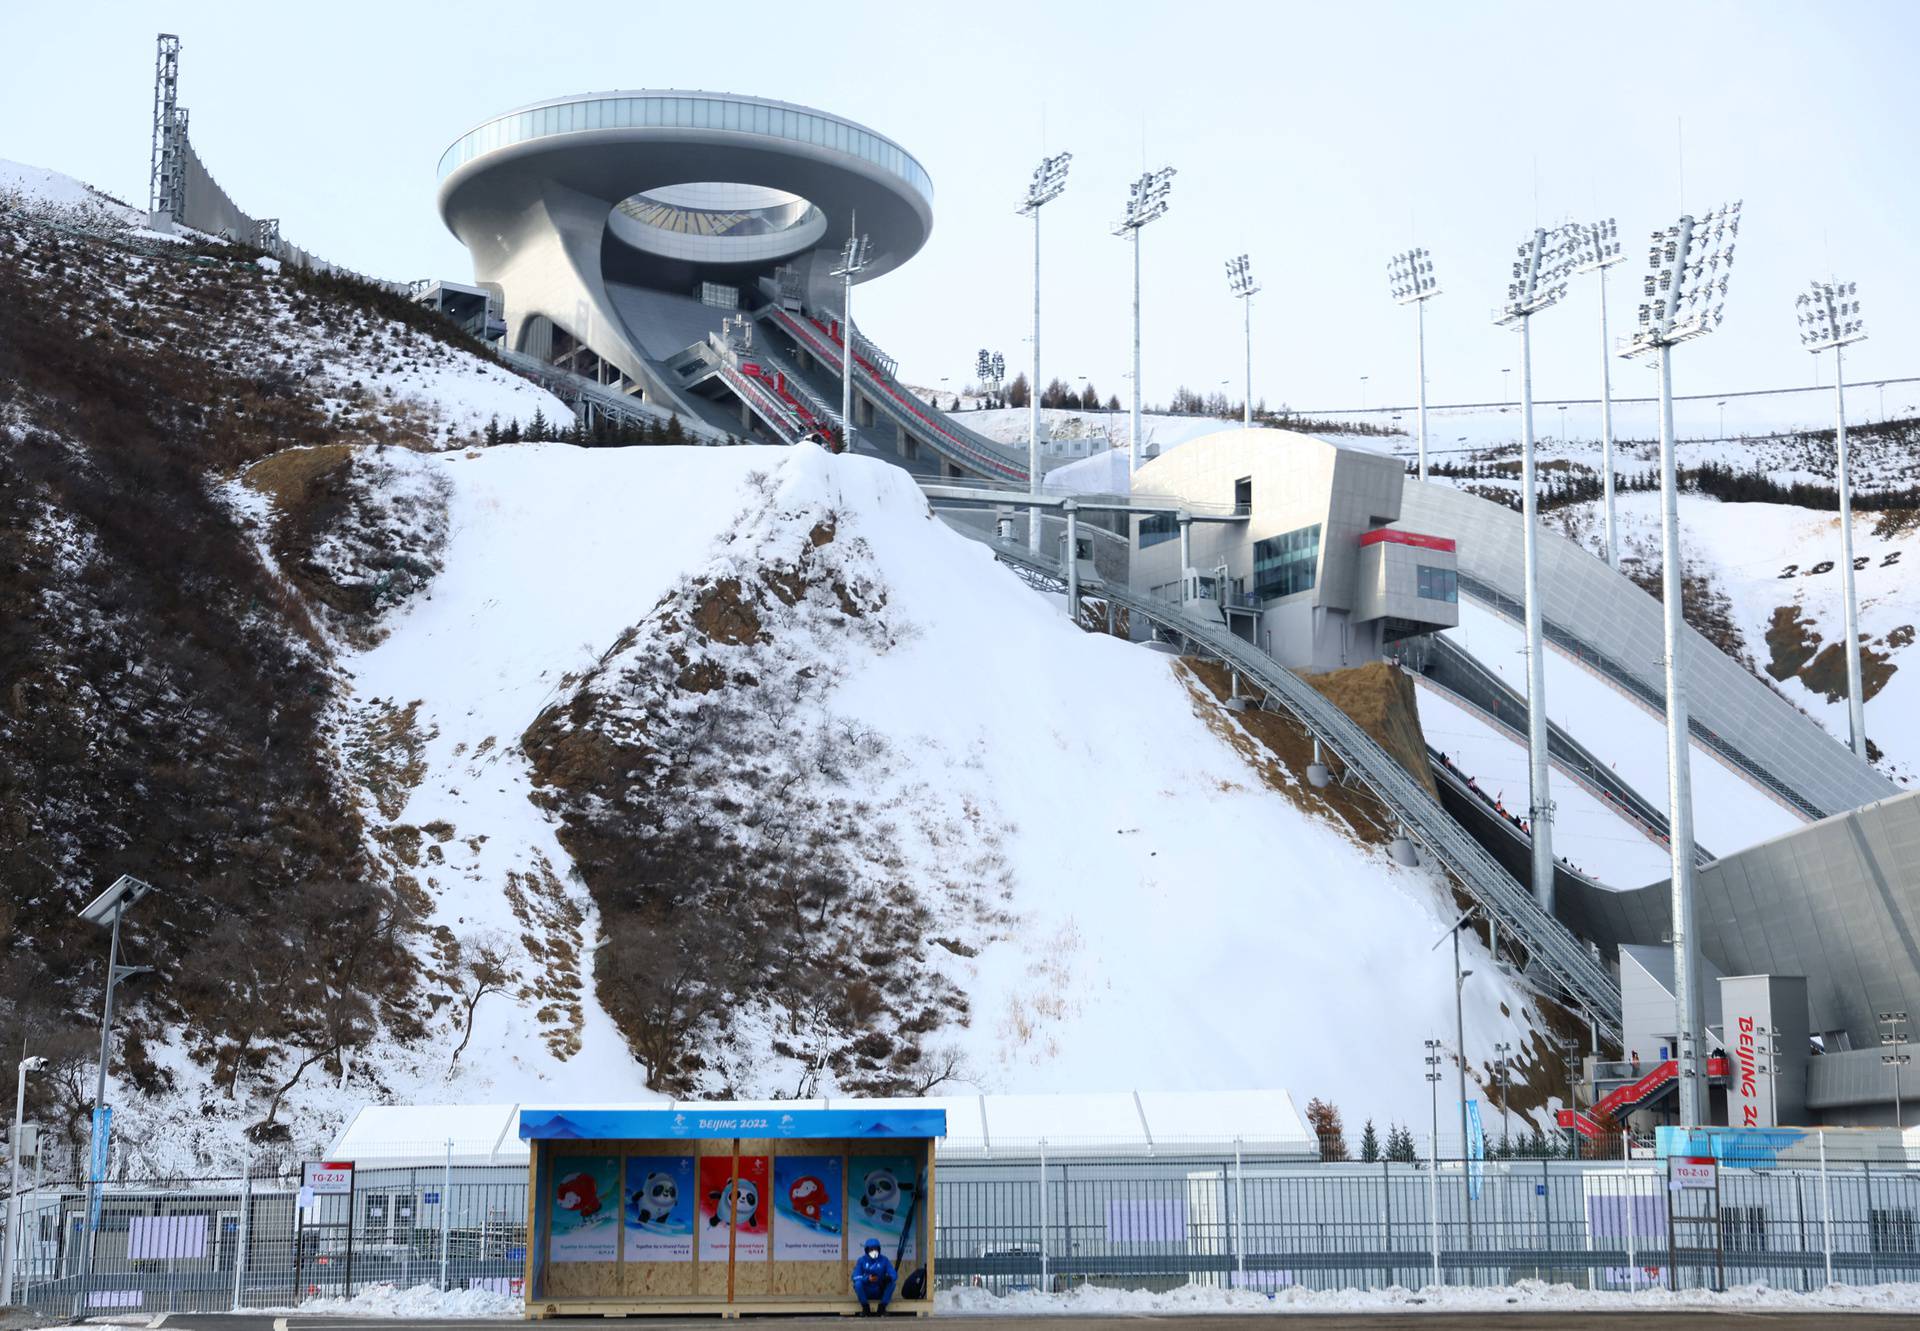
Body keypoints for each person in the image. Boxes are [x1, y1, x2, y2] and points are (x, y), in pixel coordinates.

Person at [851, 1237, 896, 1315]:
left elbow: (893, 1273)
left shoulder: (884, 1260)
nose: (873, 1251)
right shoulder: (861, 1260)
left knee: (892, 1283)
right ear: (866, 1250)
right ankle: (865, 1308)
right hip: (866, 1291)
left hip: (879, 1290)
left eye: (876, 1249)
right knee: (857, 1284)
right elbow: (855, 1277)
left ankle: (882, 1308)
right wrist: (867, 1279)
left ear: (879, 1249)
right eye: (871, 1249)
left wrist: (889, 1277)